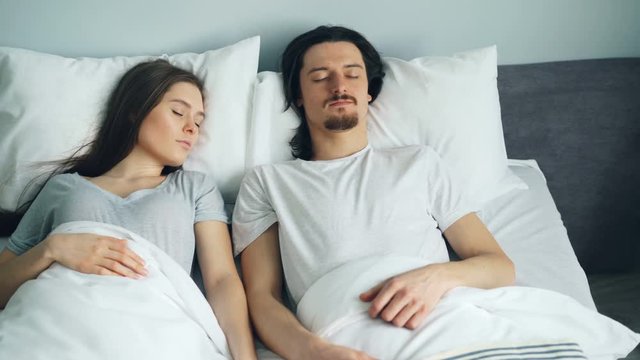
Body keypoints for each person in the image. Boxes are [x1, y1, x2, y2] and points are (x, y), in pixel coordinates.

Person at [232, 26, 515, 359]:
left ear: (368, 90)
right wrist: (314, 351)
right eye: (321, 77)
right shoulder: (267, 182)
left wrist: (435, 278)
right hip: (346, 336)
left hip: (444, 318)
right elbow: (262, 298)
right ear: (298, 95)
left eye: (352, 75)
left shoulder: (419, 163)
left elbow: (499, 267)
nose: (339, 86)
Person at [0, 59, 257, 360]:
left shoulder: (194, 188)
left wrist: (246, 357)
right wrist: (52, 248)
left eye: (198, 122)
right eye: (178, 112)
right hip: (55, 320)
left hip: (151, 330)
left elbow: (222, 280)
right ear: (136, 110)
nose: (191, 128)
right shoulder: (64, 188)